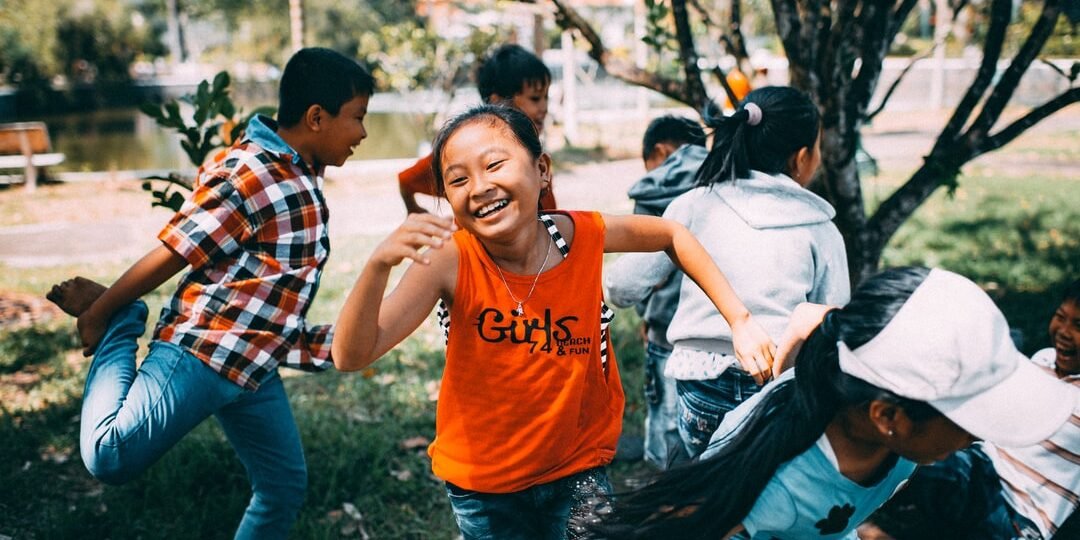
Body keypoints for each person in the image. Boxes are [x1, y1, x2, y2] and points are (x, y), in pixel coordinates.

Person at [332, 104, 775, 539]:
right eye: (458, 179)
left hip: (577, 465)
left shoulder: (582, 237)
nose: (480, 187)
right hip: (485, 485)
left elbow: (673, 234)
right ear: (447, 198)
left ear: (542, 169)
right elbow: (351, 355)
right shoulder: (450, 262)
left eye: (495, 165)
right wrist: (378, 266)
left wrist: (740, 320)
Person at [44, 48, 374, 539]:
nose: (364, 133)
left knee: (283, 484)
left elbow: (273, 291)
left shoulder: (300, 173)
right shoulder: (252, 169)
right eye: (358, 119)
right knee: (109, 455)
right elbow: (179, 248)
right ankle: (124, 322)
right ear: (317, 118)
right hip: (204, 351)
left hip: (252, 367)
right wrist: (105, 309)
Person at [594, 267, 1079, 539]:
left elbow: (814, 317)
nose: (980, 435)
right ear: (888, 417)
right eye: (971, 417)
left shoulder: (854, 363)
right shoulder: (768, 497)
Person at [606, 86, 850, 460]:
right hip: (777, 387)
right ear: (802, 157)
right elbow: (831, 319)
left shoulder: (693, 206)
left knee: (705, 488)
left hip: (699, 386)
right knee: (757, 492)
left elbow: (622, 286)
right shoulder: (820, 227)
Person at [868, 278, 1080, 540]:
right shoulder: (1042, 359)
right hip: (979, 468)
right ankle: (868, 523)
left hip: (1023, 514)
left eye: (1079, 325)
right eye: (1061, 317)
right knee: (921, 458)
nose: (1064, 331)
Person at [621, 115, 707, 468]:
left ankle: (661, 484)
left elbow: (642, 273)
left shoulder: (654, 192)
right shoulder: (721, 182)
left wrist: (646, 315)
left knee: (664, 419)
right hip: (713, 330)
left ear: (659, 151)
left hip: (666, 329)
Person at [398, 43, 557, 215]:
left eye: (545, 97)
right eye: (535, 98)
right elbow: (406, 179)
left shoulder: (531, 150)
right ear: (499, 102)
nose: (544, 107)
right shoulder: (465, 150)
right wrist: (413, 209)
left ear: (542, 167)